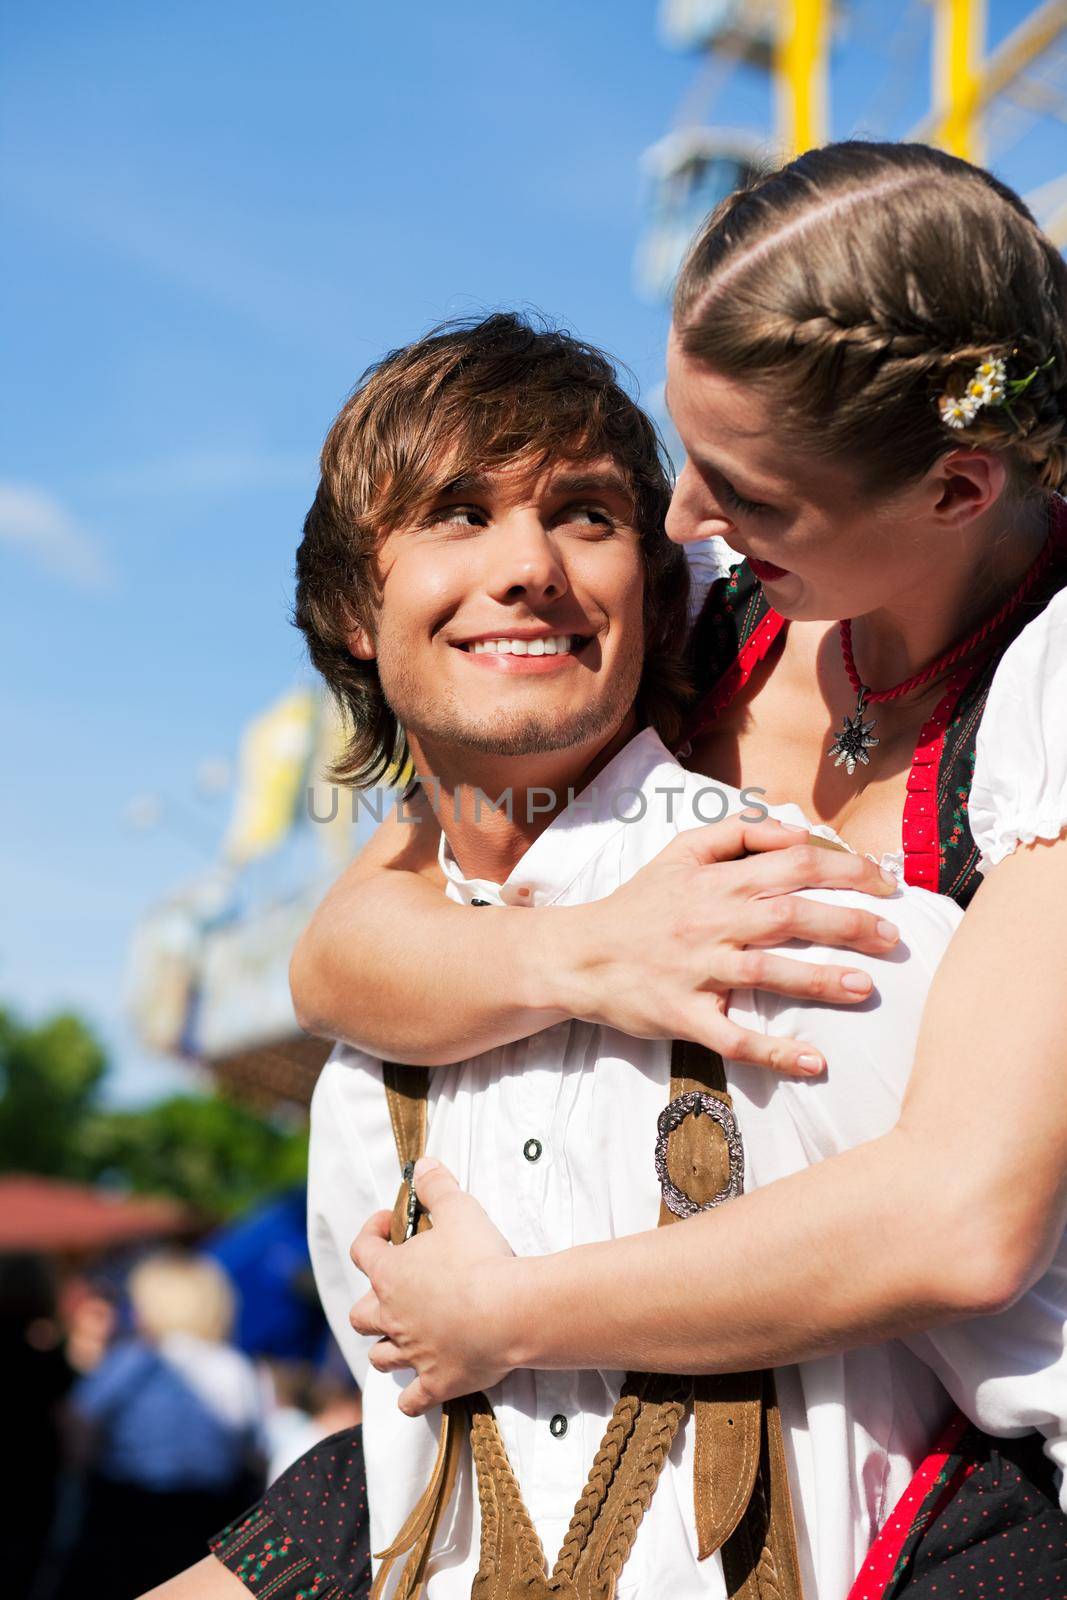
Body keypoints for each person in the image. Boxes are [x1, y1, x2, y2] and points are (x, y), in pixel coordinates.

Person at [158, 271, 1065, 1598]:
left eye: (582, 516)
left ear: (653, 597)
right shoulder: (371, 1053)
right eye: (456, 516)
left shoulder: (784, 925)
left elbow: (1013, 1339)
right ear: (354, 613)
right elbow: (418, 1492)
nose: (524, 566)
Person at [63, 1250, 266, 1598]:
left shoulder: (134, 1359)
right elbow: (251, 1447)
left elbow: (81, 1419)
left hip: (130, 1507)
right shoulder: (233, 1367)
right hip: (209, 1513)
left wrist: (84, 1476)